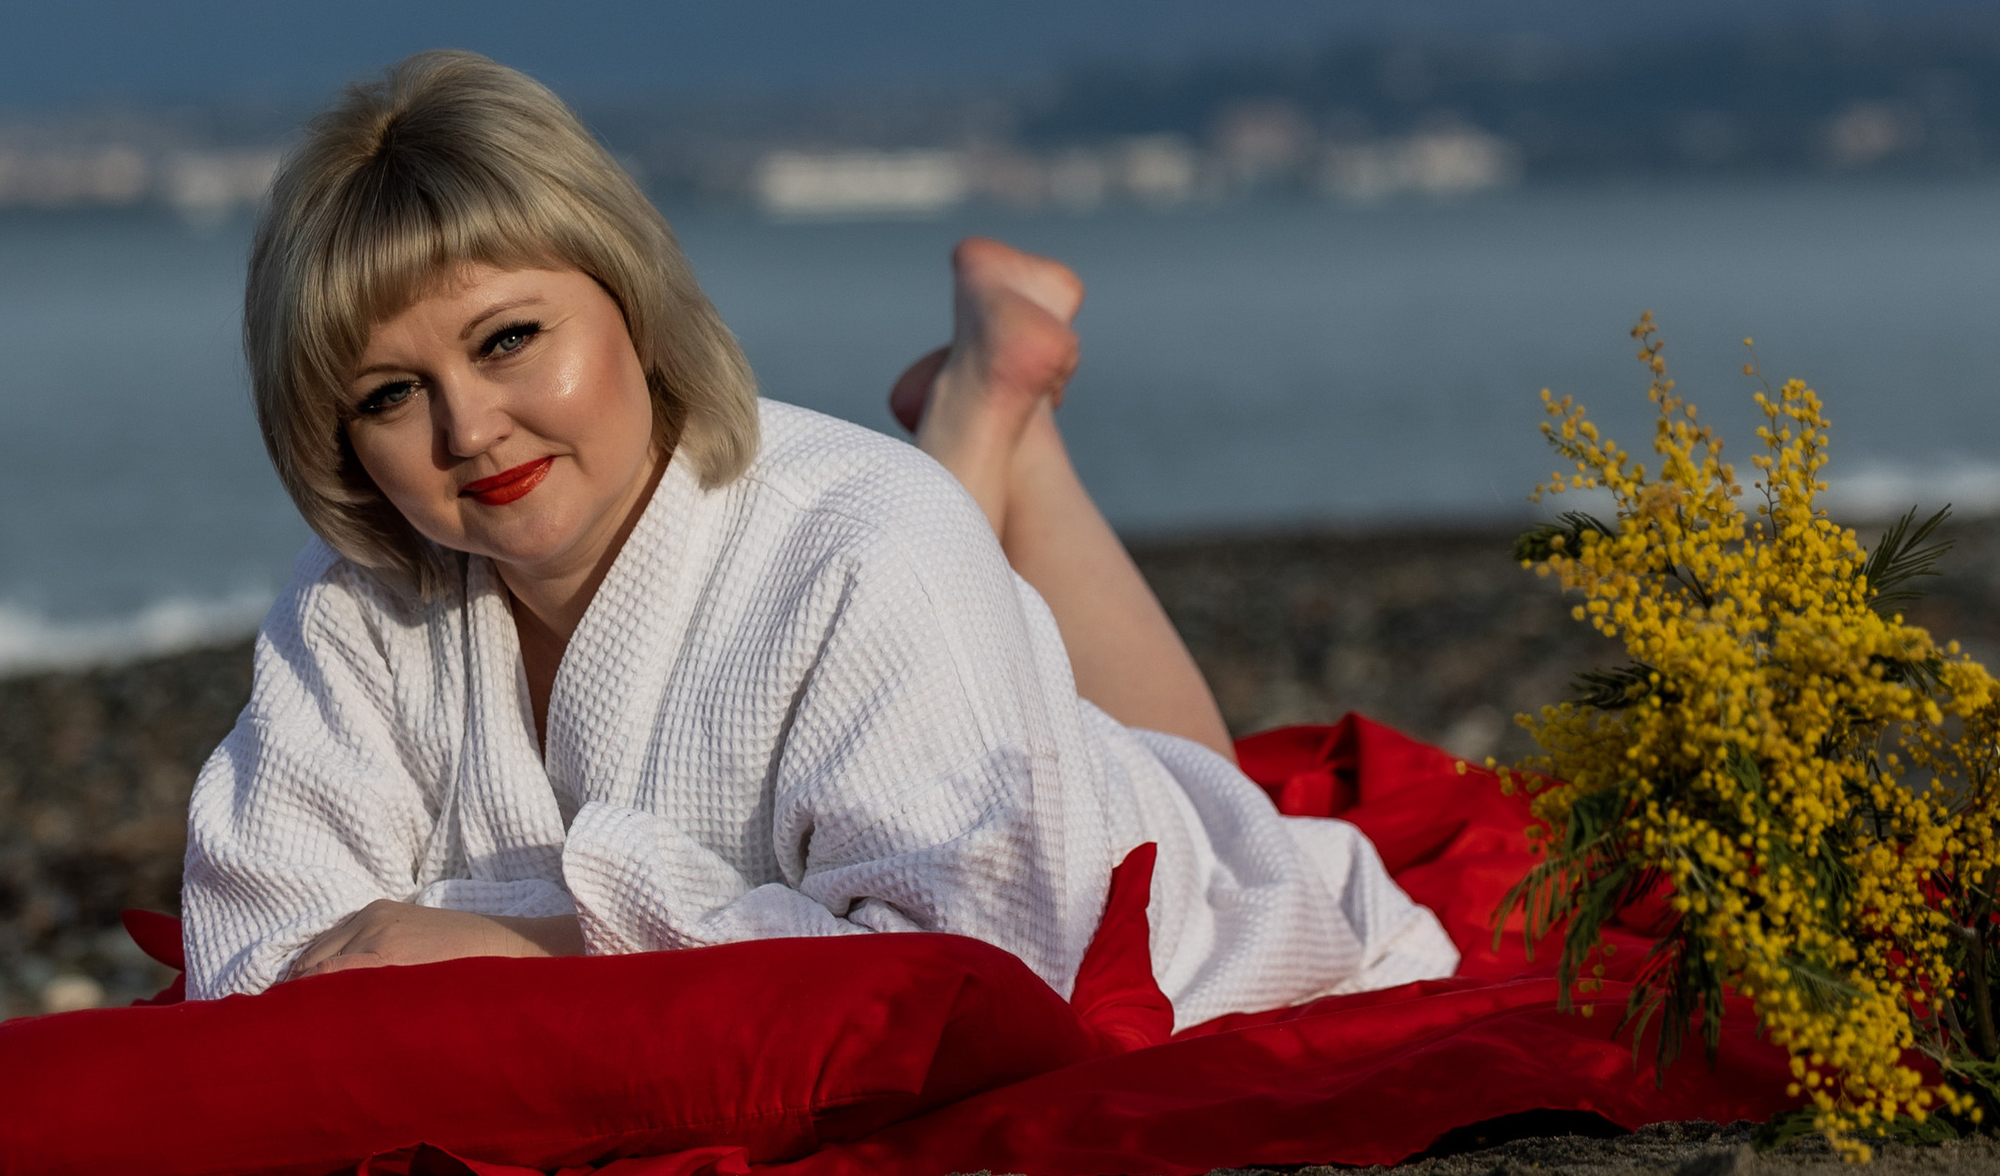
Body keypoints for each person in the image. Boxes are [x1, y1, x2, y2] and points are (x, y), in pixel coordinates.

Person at [182, 51, 1456, 1025]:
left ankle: (986, 414)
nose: (470, 430)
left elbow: (984, 954)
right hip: (913, 631)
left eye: (510, 339)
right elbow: (257, 956)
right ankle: (990, 408)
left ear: (631, 299)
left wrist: (534, 945)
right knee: (997, 621)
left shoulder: (866, 542)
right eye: (387, 396)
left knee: (1190, 791)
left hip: (1127, 874)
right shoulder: (352, 610)